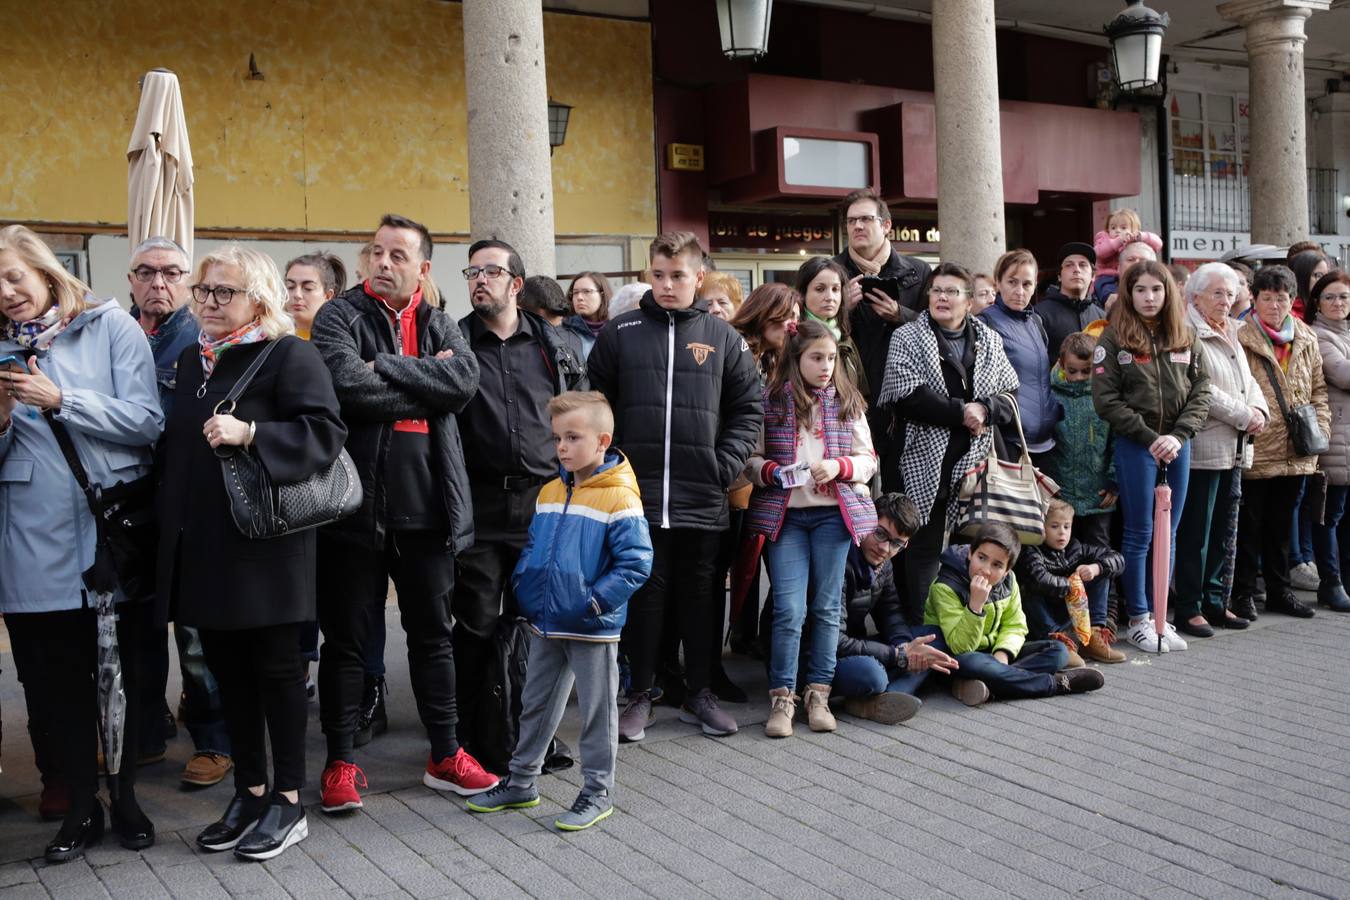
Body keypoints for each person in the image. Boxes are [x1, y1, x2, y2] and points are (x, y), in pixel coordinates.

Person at [157, 244, 346, 860]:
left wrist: (254, 432)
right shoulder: (192, 360)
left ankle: (289, 803)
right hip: (206, 543)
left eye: (224, 292)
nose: (209, 302)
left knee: (278, 674)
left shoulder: (289, 353)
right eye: (203, 290)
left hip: (268, 545)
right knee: (227, 674)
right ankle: (250, 790)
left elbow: (325, 432)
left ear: (258, 299)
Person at [310, 213, 497, 812]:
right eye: (376, 252)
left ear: (422, 268)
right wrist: (427, 377)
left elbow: (463, 384)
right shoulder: (339, 316)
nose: (383, 263)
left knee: (432, 638)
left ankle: (445, 754)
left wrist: (385, 368)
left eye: (398, 255)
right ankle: (340, 763)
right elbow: (345, 388)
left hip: (429, 508)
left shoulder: (442, 321)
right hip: (353, 509)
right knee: (345, 640)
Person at [0, 224, 163, 861]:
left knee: (124, 674)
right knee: (52, 685)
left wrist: (63, 399)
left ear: (44, 270)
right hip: (29, 543)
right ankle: (80, 809)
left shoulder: (109, 326)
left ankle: (126, 799)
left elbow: (146, 422)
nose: (7, 293)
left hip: (110, 535)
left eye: (14, 275)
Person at [587, 231, 762, 743]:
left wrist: (724, 463)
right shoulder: (621, 332)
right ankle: (641, 694)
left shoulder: (723, 337)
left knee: (702, 595)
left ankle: (701, 694)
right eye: (658, 275)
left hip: (702, 493)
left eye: (678, 276)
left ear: (698, 277)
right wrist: (611, 465)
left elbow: (747, 408)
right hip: (635, 494)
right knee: (644, 594)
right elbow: (597, 404)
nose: (667, 285)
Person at [465, 391, 652, 831]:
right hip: (546, 622)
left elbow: (637, 563)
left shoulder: (619, 497)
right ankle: (522, 781)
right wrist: (526, 589)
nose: (562, 447)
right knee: (535, 703)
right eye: (557, 439)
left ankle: (597, 791)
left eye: (573, 437)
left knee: (596, 712)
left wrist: (593, 603)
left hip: (591, 626)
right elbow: (534, 549)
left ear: (602, 440)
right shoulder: (550, 490)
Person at [453, 240, 586, 766]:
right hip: (477, 508)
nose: (479, 279)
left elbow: (581, 416)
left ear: (516, 284)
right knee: (477, 626)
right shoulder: (455, 343)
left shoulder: (554, 346)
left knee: (539, 627)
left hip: (542, 505)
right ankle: (474, 739)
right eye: (473, 271)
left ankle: (534, 734)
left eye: (491, 271)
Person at [127, 236, 234, 789]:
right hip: (124, 504)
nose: (158, 283)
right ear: (131, 281)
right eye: (146, 272)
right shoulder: (112, 336)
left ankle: (215, 740)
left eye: (171, 273)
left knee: (194, 631)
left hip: (186, 501)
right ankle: (145, 731)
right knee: (136, 625)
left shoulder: (202, 339)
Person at [746, 318, 878, 737]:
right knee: (788, 608)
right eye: (816, 357)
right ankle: (782, 699)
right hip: (787, 517)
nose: (825, 366)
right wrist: (774, 472)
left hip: (832, 518)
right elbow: (751, 461)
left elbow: (869, 461)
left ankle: (818, 692)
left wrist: (839, 467)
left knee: (826, 608)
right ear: (796, 357)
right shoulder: (770, 401)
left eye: (831, 358)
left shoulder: (847, 400)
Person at [877, 262, 1018, 620]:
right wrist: (961, 412)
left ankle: (964, 624)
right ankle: (921, 628)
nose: (942, 297)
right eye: (937, 290)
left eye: (952, 291)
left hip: (975, 465)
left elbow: (1010, 393)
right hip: (919, 462)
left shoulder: (989, 339)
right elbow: (907, 395)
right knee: (919, 549)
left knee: (966, 549)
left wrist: (984, 409)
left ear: (969, 302)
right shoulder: (907, 336)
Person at [1093, 259, 1211, 653]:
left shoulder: (1186, 335)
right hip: (1136, 445)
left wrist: (1178, 436)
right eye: (1140, 290)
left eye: (1156, 290)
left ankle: (1163, 617)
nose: (1148, 297)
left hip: (1178, 444)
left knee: (1170, 532)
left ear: (1169, 293)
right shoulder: (1113, 339)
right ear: (1129, 294)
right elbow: (1106, 400)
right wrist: (1150, 437)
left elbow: (1202, 391)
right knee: (1141, 531)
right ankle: (1140, 619)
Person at [1173, 263, 1268, 636]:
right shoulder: (1186, 332)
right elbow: (1201, 389)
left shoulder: (1231, 329)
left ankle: (1215, 601)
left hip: (1235, 446)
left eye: (1230, 294)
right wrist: (1245, 415)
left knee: (1221, 533)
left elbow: (1248, 381)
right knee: (1197, 531)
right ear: (1195, 296)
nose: (1225, 301)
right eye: (1216, 293)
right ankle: (1189, 607)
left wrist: (1259, 411)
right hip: (1204, 444)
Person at [1234, 264, 1329, 619]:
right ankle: (1242, 593)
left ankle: (1279, 592)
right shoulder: (1240, 335)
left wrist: (1322, 427)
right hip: (1258, 446)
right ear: (1255, 299)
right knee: (1249, 524)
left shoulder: (1305, 336)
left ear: (1294, 300)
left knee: (1281, 526)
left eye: (1282, 298)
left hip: (1297, 448)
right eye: (1267, 298)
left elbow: (1319, 388)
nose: (1275, 305)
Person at [924, 524, 1105, 707]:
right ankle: (1055, 684)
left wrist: (1003, 653)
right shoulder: (946, 586)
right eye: (981, 558)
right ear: (970, 553)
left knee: (1058, 651)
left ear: (1007, 570)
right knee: (975, 663)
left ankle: (990, 685)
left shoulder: (1009, 582)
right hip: (959, 657)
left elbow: (1015, 625)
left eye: (997, 565)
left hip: (996, 654)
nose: (986, 570)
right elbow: (960, 646)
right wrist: (975, 607)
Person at [831, 492, 958, 723]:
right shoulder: (839, 557)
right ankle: (886, 694)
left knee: (933, 638)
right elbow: (834, 641)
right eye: (880, 534)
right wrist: (900, 656)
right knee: (873, 675)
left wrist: (905, 647)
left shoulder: (884, 564)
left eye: (897, 544)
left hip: (856, 647)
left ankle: (874, 701)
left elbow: (891, 614)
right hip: (818, 658)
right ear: (865, 520)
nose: (884, 548)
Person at [832, 189, 926, 490]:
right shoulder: (829, 272)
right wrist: (839, 308)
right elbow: (806, 329)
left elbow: (938, 331)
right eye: (851, 221)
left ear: (886, 225)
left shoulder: (919, 271)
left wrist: (902, 314)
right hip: (847, 397)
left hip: (904, 401)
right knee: (853, 490)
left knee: (900, 493)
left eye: (865, 219)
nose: (857, 226)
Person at [1016, 499, 1124, 665]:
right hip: (1043, 617)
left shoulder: (1076, 547)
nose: (1062, 533)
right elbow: (1039, 578)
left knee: (1100, 572)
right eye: (1054, 526)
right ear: (1041, 527)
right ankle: (1058, 641)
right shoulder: (1032, 550)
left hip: (1071, 610)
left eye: (1067, 526)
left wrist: (1095, 568)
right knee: (1029, 589)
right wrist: (1071, 584)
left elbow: (1117, 559)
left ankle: (1092, 637)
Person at [981, 249, 1057, 463]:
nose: (1019, 291)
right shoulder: (985, 323)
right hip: (1008, 441)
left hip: (1044, 442)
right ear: (998, 283)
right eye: (1012, 282)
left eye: (1027, 284)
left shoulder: (1036, 322)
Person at [1044, 332, 1117, 553]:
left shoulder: (1104, 397)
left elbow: (1116, 441)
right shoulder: (1051, 395)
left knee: (1099, 554)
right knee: (1061, 554)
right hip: (1061, 496)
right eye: (1072, 370)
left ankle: (1099, 589)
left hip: (1098, 496)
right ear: (1061, 363)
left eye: (1086, 371)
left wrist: (1114, 481)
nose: (1078, 377)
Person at [1308, 270, 1350, 612]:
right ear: (1318, 302)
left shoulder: (1346, 333)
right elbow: (1343, 374)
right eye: (1331, 297)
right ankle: (1330, 582)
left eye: (1345, 297)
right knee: (1328, 516)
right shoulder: (1319, 335)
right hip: (1335, 440)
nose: (1339, 303)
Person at [795, 256, 867, 394]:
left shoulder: (845, 337)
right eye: (820, 289)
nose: (830, 297)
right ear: (803, 294)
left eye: (835, 289)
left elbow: (861, 393)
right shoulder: (793, 336)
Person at [1037, 242, 1104, 361]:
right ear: (1059, 276)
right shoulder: (1039, 315)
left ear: (1093, 276)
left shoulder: (1102, 318)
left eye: (1083, 265)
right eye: (1069, 265)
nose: (1076, 270)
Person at [1091, 207, 1162, 304]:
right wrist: (1118, 241)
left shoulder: (1134, 240)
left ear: (1134, 230)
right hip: (1107, 276)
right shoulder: (1104, 238)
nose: (1118, 231)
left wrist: (1142, 236)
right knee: (1105, 288)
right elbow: (1099, 252)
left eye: (1123, 228)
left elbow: (1158, 243)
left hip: (1132, 276)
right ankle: (1113, 303)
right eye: (1113, 227)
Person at [730, 282, 800, 380]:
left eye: (797, 319)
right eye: (790, 315)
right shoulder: (734, 349)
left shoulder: (766, 359)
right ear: (763, 312)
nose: (794, 325)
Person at [285, 252, 347, 339]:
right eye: (290, 287)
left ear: (328, 296)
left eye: (308, 288)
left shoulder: (339, 341)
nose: (297, 295)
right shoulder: (272, 337)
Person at [563, 271, 612, 360]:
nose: (579, 297)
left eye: (587, 291)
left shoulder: (616, 328)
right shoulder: (563, 330)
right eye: (575, 292)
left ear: (602, 294)